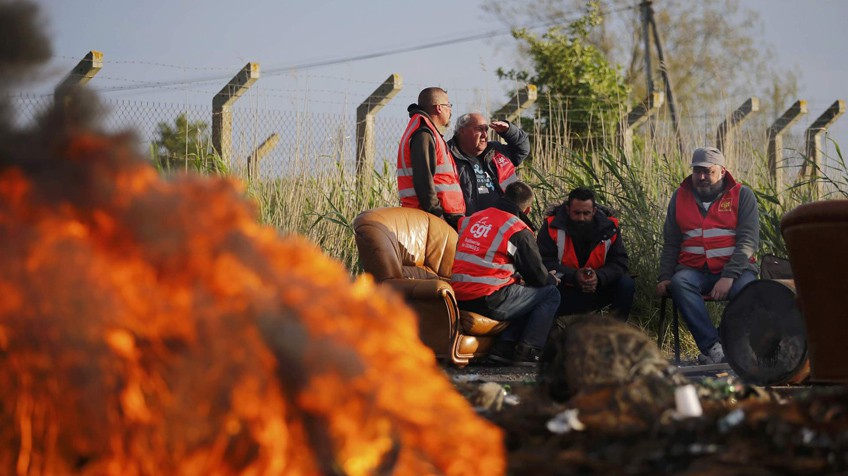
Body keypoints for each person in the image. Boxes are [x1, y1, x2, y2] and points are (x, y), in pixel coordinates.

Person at [655, 147, 759, 364]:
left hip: (737, 271)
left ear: (722, 172)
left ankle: (726, 340)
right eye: (697, 171)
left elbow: (748, 242)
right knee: (679, 282)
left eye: (708, 172)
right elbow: (671, 243)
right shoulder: (679, 197)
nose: (701, 177)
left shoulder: (742, 195)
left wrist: (728, 277)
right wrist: (665, 276)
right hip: (694, 270)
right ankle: (713, 347)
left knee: (749, 291)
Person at [450, 181, 560, 366]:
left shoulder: (473, 218)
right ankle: (530, 351)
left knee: (522, 290)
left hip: (457, 296)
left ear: (503, 197)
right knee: (549, 294)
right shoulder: (517, 230)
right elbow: (538, 277)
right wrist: (551, 278)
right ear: (527, 210)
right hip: (487, 299)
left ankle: (504, 349)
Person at [537, 187, 635, 321]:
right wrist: (574, 276)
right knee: (542, 286)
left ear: (594, 211)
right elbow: (544, 262)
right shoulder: (551, 226)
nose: (581, 218)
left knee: (626, 284)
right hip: (562, 288)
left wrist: (599, 277)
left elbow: (620, 262)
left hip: (597, 288)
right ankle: (544, 338)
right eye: (577, 213)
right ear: (567, 210)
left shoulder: (610, 228)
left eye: (586, 213)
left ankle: (612, 333)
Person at [397, 87, 465, 229]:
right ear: (439, 108)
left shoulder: (426, 130)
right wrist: (437, 215)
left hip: (435, 215)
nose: (450, 111)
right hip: (431, 217)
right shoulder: (424, 133)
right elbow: (423, 179)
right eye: (448, 105)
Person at [447, 112, 530, 216]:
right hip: (467, 226)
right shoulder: (447, 155)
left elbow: (523, 149)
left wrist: (509, 131)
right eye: (479, 129)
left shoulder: (495, 151)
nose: (485, 135)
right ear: (462, 131)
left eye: (486, 129)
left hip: (502, 224)